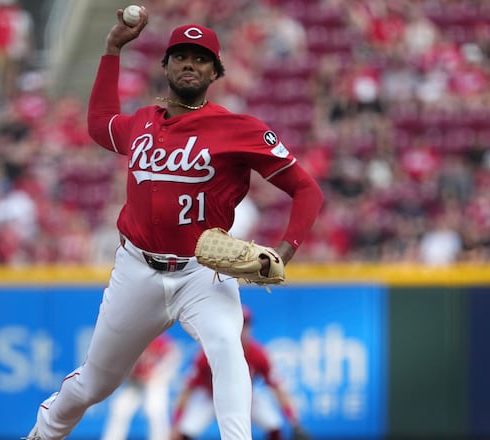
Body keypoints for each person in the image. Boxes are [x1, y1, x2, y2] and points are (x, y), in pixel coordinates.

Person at [25, 7, 323, 440]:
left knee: (227, 350)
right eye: (181, 55)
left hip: (204, 271)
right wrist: (111, 49)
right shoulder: (143, 122)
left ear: (215, 71)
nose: (189, 63)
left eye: (201, 58)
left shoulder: (238, 129)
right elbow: (98, 125)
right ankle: (41, 435)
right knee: (95, 383)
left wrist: (286, 249)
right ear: (165, 65)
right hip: (136, 270)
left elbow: (307, 189)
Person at [170, 306, 307, 440]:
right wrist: (175, 424)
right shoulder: (208, 353)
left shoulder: (258, 354)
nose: (242, 329)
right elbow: (187, 390)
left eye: (246, 325)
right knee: (183, 432)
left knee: (274, 426)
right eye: (239, 323)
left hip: (246, 397)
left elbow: (277, 388)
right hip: (211, 398)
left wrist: (294, 421)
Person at [101, 333, 181, 440]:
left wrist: (157, 374)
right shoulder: (129, 342)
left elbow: (173, 357)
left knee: (154, 411)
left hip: (155, 382)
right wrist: (131, 374)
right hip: (135, 383)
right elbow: (120, 365)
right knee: (120, 408)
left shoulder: (159, 340)